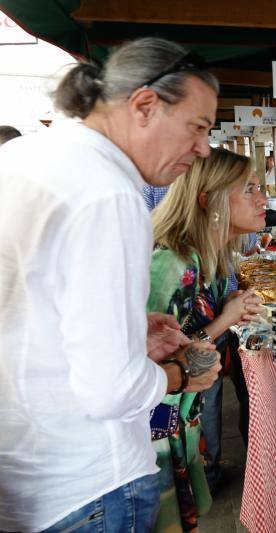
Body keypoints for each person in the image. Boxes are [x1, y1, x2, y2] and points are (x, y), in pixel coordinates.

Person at [0, 37, 222, 532]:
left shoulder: (25, 156)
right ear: (144, 105)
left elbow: (33, 308)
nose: (204, 148)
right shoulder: (109, 193)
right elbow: (112, 392)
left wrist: (128, 327)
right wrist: (182, 374)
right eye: (197, 127)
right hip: (90, 483)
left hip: (26, 477)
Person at [148, 147, 264, 530]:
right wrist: (223, 321)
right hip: (156, 435)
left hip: (182, 421)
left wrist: (225, 310)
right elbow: (153, 369)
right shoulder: (174, 262)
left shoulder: (207, 258)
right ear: (209, 200)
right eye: (248, 188)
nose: (262, 198)